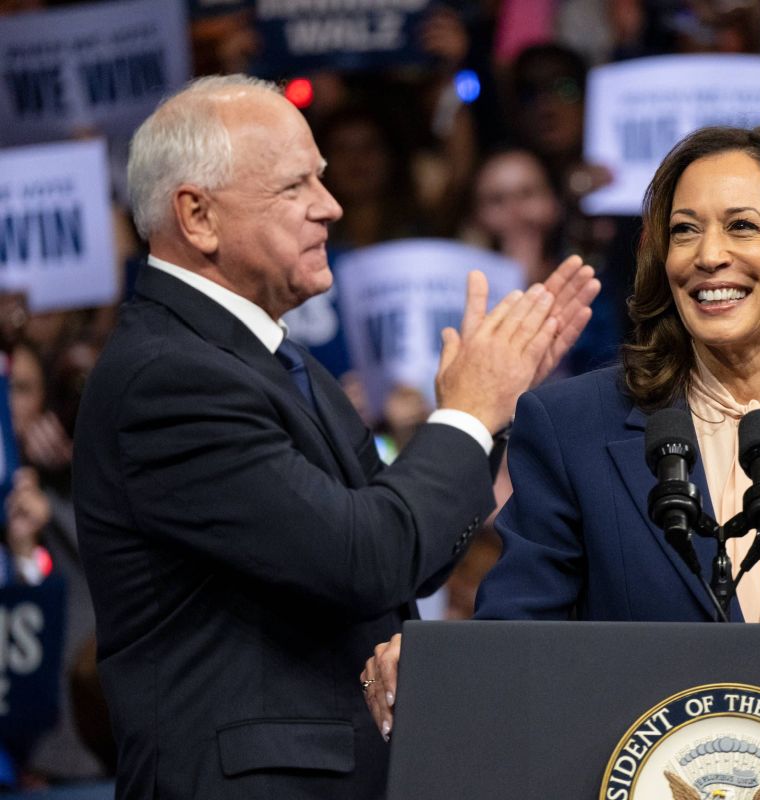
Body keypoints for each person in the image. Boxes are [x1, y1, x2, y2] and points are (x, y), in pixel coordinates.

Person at [72, 74, 599, 800]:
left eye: (322, 178)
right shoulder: (169, 381)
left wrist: (489, 413)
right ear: (197, 216)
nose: (332, 206)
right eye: (296, 187)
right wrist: (469, 413)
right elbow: (363, 559)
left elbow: (401, 562)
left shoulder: (273, 359)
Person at [361, 124, 760, 723]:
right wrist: (441, 662)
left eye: (741, 226)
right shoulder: (576, 426)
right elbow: (520, 635)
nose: (708, 254)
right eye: (684, 231)